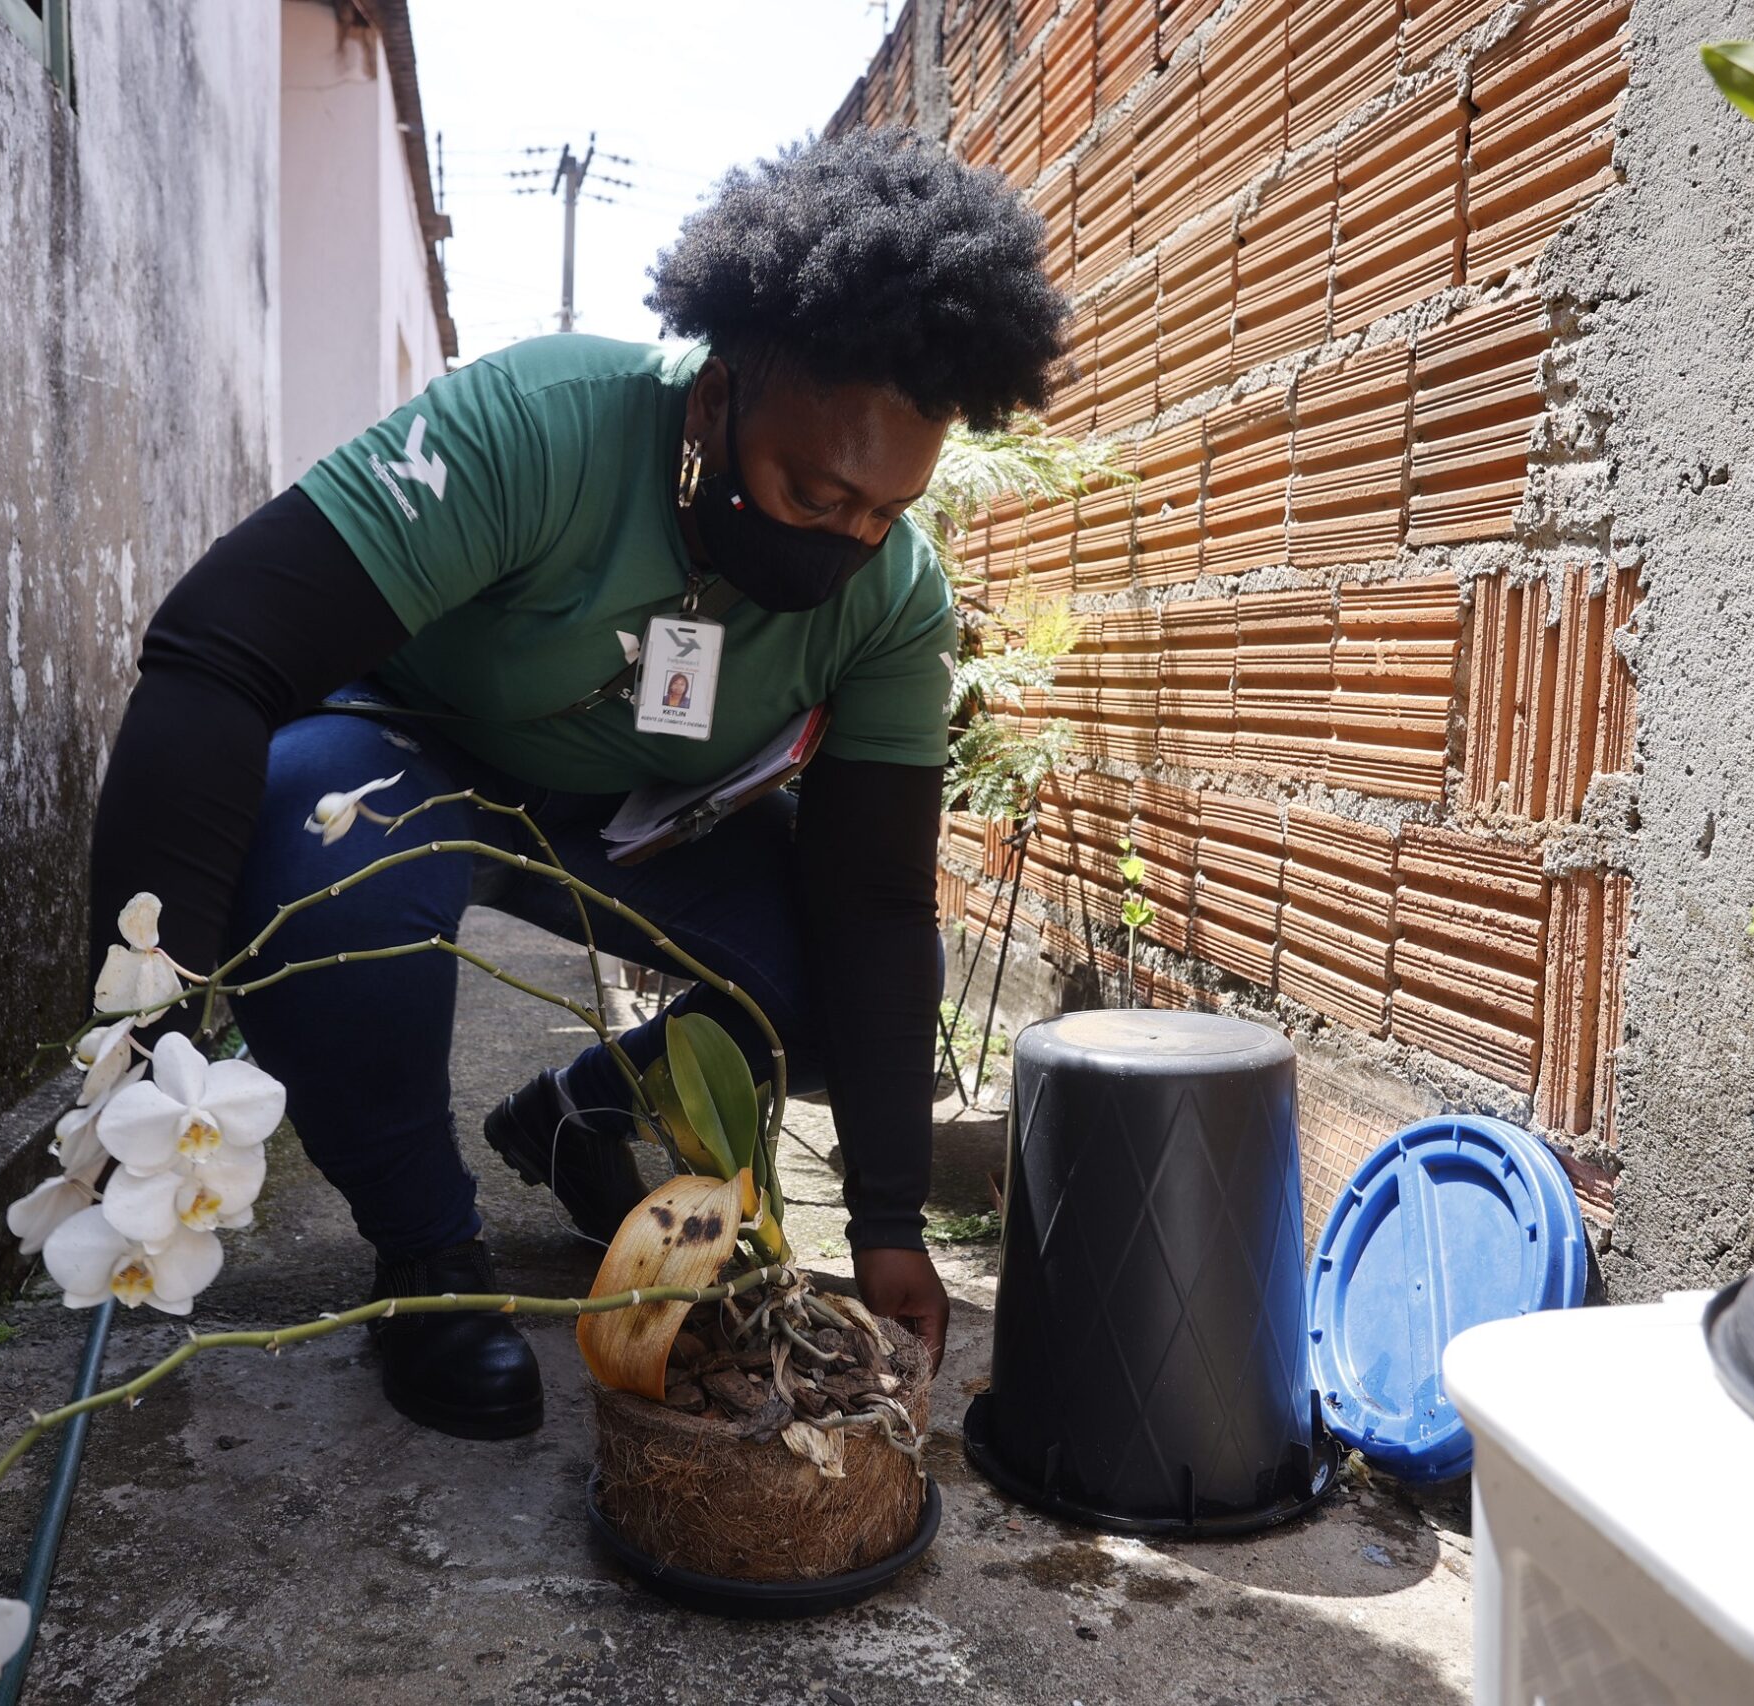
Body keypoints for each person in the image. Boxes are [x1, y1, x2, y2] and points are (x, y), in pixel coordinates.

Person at [86, 128, 1068, 1440]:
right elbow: (215, 653)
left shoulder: (891, 604)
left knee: (850, 1002)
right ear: (719, 398)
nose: (847, 543)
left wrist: (889, 1218)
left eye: (884, 514)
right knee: (328, 865)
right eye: (813, 491)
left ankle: (573, 1117)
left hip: (627, 822)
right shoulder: (537, 429)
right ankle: (427, 1264)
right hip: (403, 756)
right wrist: (137, 1035)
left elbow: (877, 905)